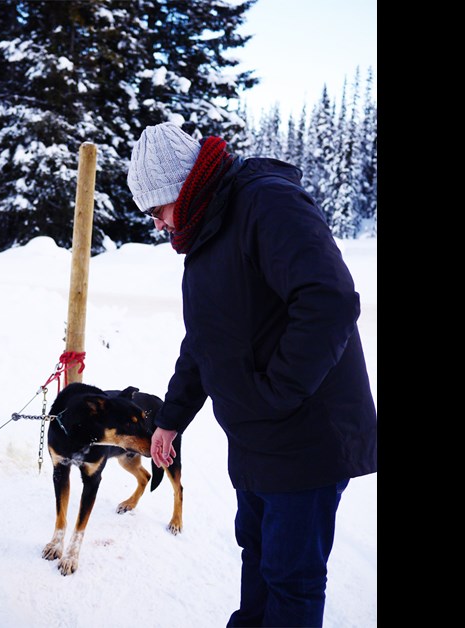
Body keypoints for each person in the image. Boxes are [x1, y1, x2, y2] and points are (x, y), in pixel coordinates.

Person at [126, 122, 377, 628]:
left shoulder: (268, 205)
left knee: (291, 579)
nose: (157, 225)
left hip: (306, 436)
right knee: (258, 558)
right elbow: (204, 339)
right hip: (256, 437)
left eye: (156, 210)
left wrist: (273, 396)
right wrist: (170, 420)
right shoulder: (203, 233)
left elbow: (328, 303)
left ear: (183, 186)